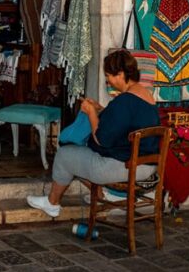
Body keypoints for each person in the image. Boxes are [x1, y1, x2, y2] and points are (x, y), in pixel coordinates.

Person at [26, 50, 160, 217]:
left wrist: (90, 113)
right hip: (146, 167)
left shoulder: (124, 100)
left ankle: (52, 203)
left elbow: (102, 139)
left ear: (120, 74)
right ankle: (100, 195)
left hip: (127, 168)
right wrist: (99, 109)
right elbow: (123, 123)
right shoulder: (145, 96)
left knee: (65, 155)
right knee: (80, 155)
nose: (108, 81)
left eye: (108, 76)